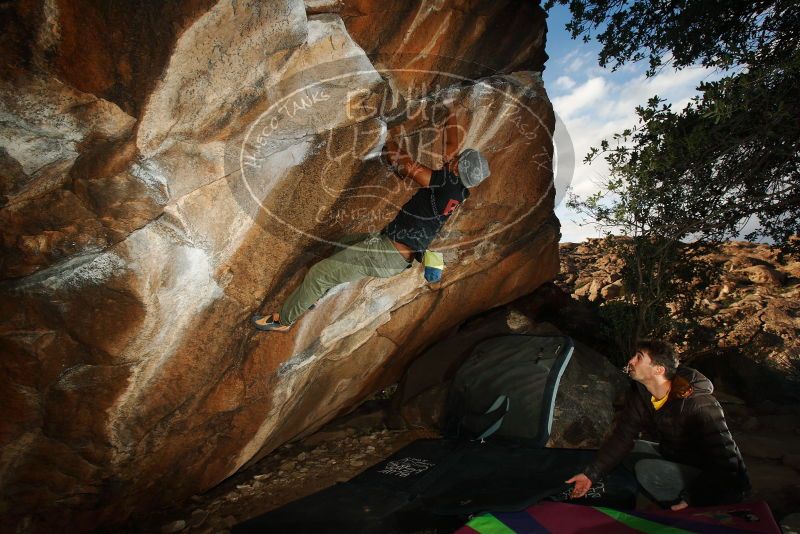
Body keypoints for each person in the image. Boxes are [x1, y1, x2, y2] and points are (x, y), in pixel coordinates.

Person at [252, 109, 490, 332]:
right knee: (344, 243)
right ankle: (312, 296)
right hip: (389, 247)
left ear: (458, 167)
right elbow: (450, 147)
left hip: (387, 253)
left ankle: (284, 320)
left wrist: (386, 137)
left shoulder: (446, 184)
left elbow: (408, 166)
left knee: (318, 274)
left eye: (458, 159)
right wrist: (449, 111)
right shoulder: (459, 188)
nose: (453, 157)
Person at [566, 340, 751, 509]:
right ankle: (672, 498)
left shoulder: (698, 404)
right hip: (680, 457)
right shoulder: (642, 395)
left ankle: (681, 512)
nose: (631, 360)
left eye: (639, 358)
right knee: (631, 450)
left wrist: (694, 497)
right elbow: (623, 436)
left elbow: (726, 462)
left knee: (646, 470)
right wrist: (591, 474)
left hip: (719, 481)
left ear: (658, 370)